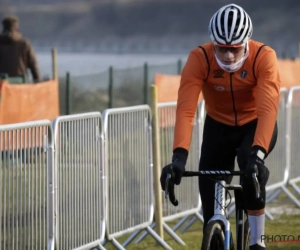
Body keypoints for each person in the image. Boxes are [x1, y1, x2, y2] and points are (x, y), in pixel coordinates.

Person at [160, 3, 280, 250]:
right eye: (222, 48)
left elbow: (268, 109)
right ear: (213, 43)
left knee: (251, 173)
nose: (227, 55)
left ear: (246, 43)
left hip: (254, 125)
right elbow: (185, 110)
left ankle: (258, 241)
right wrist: (179, 157)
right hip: (218, 128)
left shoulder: (263, 56)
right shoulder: (200, 58)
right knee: (210, 202)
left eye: (234, 49)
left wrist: (258, 156)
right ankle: (219, 232)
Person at [0, 15, 41, 82]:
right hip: (21, 83)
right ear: (17, 27)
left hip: (2, 85)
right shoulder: (24, 44)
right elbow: (33, 65)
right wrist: (37, 81)